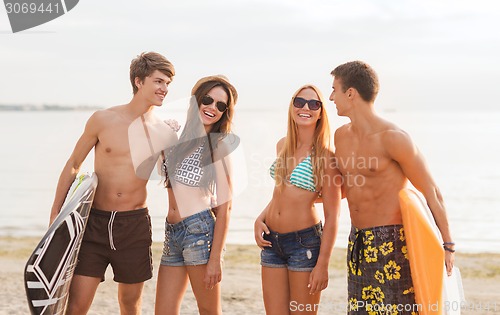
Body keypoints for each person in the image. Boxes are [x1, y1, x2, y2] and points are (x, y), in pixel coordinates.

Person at [49, 52, 176, 315]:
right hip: (93, 223)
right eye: (159, 81)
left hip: (134, 226)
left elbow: (175, 180)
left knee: (130, 304)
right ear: (139, 81)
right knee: (76, 305)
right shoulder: (102, 119)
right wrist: (55, 216)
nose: (164, 89)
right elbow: (73, 164)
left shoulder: (165, 133)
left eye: (167, 84)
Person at [329, 61, 455, 314]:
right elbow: (344, 188)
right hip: (358, 241)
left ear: (350, 93)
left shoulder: (393, 137)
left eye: (335, 89)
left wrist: (448, 244)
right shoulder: (340, 136)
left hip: (393, 244)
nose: (331, 97)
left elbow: (432, 191)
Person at [254, 85, 342, 315]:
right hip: (272, 242)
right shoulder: (282, 145)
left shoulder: (326, 158)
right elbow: (281, 194)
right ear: (292, 106)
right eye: (299, 101)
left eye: (314, 104)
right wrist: (260, 218)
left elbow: (333, 217)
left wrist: (323, 265)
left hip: (305, 245)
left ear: (321, 112)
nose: (305, 108)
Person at [155, 75, 238, 315]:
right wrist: (164, 139)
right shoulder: (179, 140)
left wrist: (215, 259)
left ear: (225, 112)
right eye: (208, 100)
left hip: (199, 233)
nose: (213, 107)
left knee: (209, 311)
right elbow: (166, 174)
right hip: (172, 233)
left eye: (220, 105)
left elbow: (226, 207)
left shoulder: (220, 144)